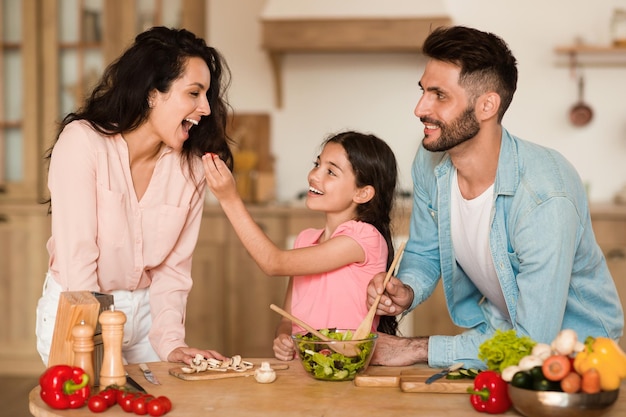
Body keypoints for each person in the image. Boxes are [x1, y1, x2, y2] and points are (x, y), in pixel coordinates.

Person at [366, 25, 624, 369]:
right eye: (423, 91)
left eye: (439, 95)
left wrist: (415, 348)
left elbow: (536, 343)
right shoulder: (430, 162)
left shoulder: (544, 197)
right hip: (501, 333)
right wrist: (406, 289)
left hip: (577, 354)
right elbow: (425, 252)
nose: (419, 108)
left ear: (487, 105)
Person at [36, 26, 234, 366]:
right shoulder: (83, 143)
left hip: (147, 319)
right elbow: (78, 259)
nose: (204, 108)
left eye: (207, 96)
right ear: (152, 93)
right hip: (79, 309)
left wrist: (171, 344)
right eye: (194, 93)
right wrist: (97, 343)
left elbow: (174, 270)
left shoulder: (191, 166)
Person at [203, 131, 399, 360]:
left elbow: (273, 263)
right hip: (304, 370)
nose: (314, 175)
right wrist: (283, 337)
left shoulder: (364, 238)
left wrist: (229, 198)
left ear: (362, 193)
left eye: (331, 172)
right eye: (317, 164)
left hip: (346, 372)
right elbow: (288, 318)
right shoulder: (305, 239)